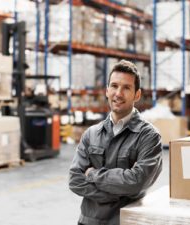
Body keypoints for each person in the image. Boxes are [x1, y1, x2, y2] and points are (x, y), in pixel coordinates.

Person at [68, 60, 163, 225]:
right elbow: (75, 180)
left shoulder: (149, 136)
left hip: (124, 222)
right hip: (88, 221)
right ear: (107, 91)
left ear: (137, 95)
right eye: (114, 86)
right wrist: (118, 194)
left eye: (126, 88)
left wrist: (92, 174)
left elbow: (137, 182)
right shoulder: (91, 134)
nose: (118, 93)